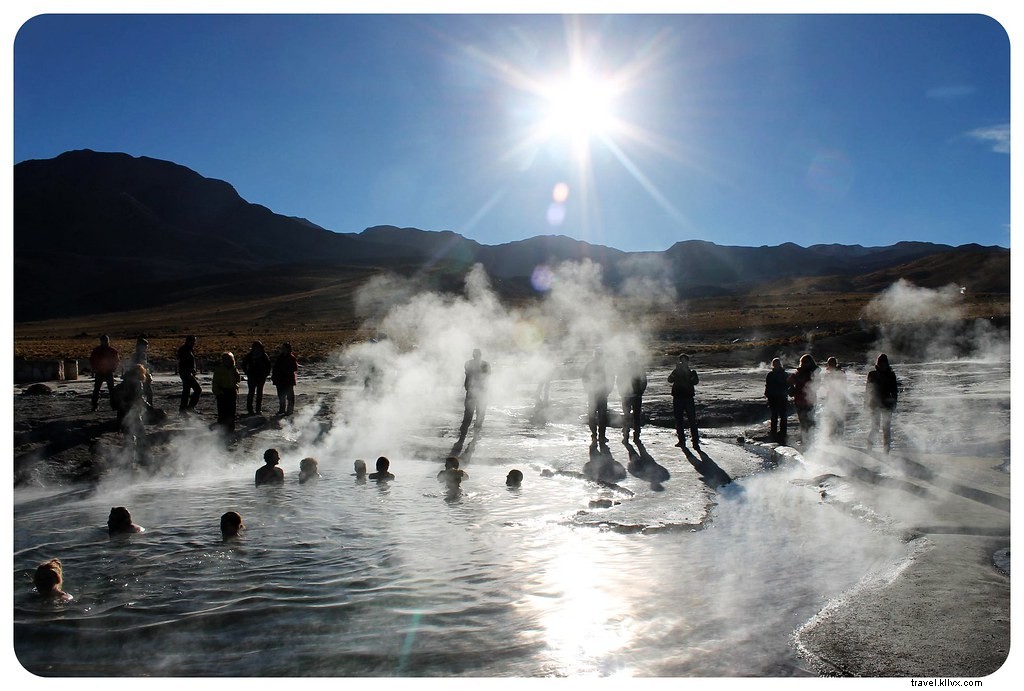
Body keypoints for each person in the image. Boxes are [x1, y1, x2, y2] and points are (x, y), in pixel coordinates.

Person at [865, 353, 899, 453]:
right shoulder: (872, 374)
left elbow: (894, 391)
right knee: (875, 427)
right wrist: (866, 403)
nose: (882, 366)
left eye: (884, 364)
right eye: (881, 364)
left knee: (886, 428)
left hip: (887, 404)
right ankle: (869, 447)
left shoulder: (891, 375)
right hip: (874, 404)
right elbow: (868, 390)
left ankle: (886, 450)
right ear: (878, 364)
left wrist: (894, 403)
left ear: (887, 364)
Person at [668, 353, 701, 449]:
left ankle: (695, 442)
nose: (683, 362)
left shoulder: (692, 372)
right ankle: (681, 441)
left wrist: (687, 374)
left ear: (687, 362)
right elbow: (669, 380)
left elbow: (695, 382)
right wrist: (676, 372)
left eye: (684, 361)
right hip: (678, 398)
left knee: (692, 420)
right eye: (681, 361)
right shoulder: (676, 371)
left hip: (688, 398)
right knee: (679, 421)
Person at [582, 347, 614, 443]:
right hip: (593, 394)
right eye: (597, 354)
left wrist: (609, 389)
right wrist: (588, 389)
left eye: (600, 354)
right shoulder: (590, 365)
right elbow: (585, 378)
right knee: (592, 415)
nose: (598, 356)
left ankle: (601, 436)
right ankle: (594, 435)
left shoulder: (606, 365)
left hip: (602, 393)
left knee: (602, 416)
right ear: (595, 354)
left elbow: (611, 377)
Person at [112, 363, 152, 437]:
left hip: (122, 407)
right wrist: (148, 405)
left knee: (127, 430)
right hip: (131, 407)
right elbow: (138, 397)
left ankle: (128, 446)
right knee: (139, 429)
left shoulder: (125, 381)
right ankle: (141, 446)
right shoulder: (137, 383)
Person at [458, 348, 490, 440]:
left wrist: (466, 387)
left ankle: (463, 433)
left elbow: (468, 376)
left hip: (473, 392)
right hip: (481, 392)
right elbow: (487, 378)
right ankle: (475, 433)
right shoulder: (485, 365)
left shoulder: (468, 363)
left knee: (469, 413)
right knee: (480, 414)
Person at [617, 350, 648, 442]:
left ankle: (636, 436)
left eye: (632, 357)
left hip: (636, 395)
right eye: (629, 357)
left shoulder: (639, 368)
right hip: (626, 395)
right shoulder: (624, 368)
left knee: (636, 416)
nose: (631, 359)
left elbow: (644, 380)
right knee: (627, 415)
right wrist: (621, 391)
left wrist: (640, 392)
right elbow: (619, 380)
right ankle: (626, 435)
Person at [788, 353, 819, 443]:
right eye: (803, 362)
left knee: (809, 420)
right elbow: (789, 381)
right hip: (800, 400)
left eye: (806, 362)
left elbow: (817, 385)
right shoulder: (799, 372)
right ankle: (805, 439)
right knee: (803, 420)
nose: (804, 364)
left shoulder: (813, 373)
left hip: (809, 400)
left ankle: (810, 439)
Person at [211, 351, 241, 432]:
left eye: (229, 359)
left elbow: (237, 379)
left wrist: (237, 381)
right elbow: (215, 382)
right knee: (222, 413)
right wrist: (218, 392)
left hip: (232, 392)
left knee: (231, 413)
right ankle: (221, 431)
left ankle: (231, 430)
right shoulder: (220, 369)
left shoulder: (233, 368)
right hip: (223, 392)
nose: (228, 361)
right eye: (225, 359)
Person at [89, 335, 120, 412]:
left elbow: (116, 361)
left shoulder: (112, 351)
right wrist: (95, 368)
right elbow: (92, 360)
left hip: (107, 371)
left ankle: (113, 405)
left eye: (106, 340)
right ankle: (95, 405)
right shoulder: (98, 351)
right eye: (104, 340)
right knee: (98, 389)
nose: (105, 342)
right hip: (100, 371)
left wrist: (113, 368)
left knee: (110, 390)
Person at [821, 357, 849, 440]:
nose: (830, 365)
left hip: (840, 397)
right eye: (829, 363)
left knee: (839, 417)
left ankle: (839, 436)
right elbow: (826, 385)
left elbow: (843, 385)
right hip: (831, 397)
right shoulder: (827, 373)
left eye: (832, 363)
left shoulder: (840, 372)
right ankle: (831, 435)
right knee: (831, 417)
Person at [241, 340, 272, 415]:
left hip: (261, 377)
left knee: (259, 393)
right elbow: (243, 364)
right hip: (252, 376)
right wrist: (247, 372)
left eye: (258, 347)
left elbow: (268, 365)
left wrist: (265, 374)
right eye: (256, 347)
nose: (257, 348)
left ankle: (258, 409)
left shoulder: (263, 355)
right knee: (251, 393)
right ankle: (250, 409)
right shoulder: (250, 355)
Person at [764, 358, 790, 442]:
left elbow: (788, 385)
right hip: (774, 397)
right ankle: (774, 431)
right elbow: (767, 386)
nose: (776, 365)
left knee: (782, 415)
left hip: (781, 397)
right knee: (775, 415)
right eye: (775, 364)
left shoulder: (784, 374)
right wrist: (767, 394)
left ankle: (782, 432)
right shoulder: (771, 375)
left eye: (777, 364)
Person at [271, 342, 298, 416]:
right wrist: (274, 377)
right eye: (282, 348)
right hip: (280, 380)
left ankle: (290, 410)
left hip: (288, 380)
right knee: (281, 396)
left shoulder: (292, 358)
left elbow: (294, 368)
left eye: (284, 348)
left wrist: (285, 370)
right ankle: (282, 409)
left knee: (290, 396)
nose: (283, 350)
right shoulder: (280, 357)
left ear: (288, 349)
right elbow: (275, 368)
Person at [177, 335, 202, 412]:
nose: (195, 343)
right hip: (187, 373)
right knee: (198, 389)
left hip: (186, 373)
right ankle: (190, 408)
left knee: (186, 390)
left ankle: (183, 408)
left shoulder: (187, 349)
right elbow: (184, 363)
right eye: (194, 341)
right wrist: (189, 373)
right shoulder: (185, 350)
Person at [127, 336, 154, 406]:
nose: (146, 348)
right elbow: (141, 365)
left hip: (139, 375)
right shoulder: (141, 355)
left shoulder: (135, 355)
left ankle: (142, 408)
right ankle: (148, 408)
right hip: (140, 375)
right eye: (145, 346)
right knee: (147, 393)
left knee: (141, 393)